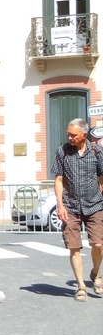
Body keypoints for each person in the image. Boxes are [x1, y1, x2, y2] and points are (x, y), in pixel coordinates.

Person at [51, 118, 103, 302]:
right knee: (74, 247)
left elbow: (101, 176)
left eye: (73, 135)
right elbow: (58, 180)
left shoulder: (97, 151)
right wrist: (60, 204)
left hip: (94, 205)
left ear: (84, 135)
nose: (69, 137)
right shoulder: (62, 151)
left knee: (98, 244)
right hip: (71, 206)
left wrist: (100, 193)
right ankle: (81, 286)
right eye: (68, 134)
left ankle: (96, 273)